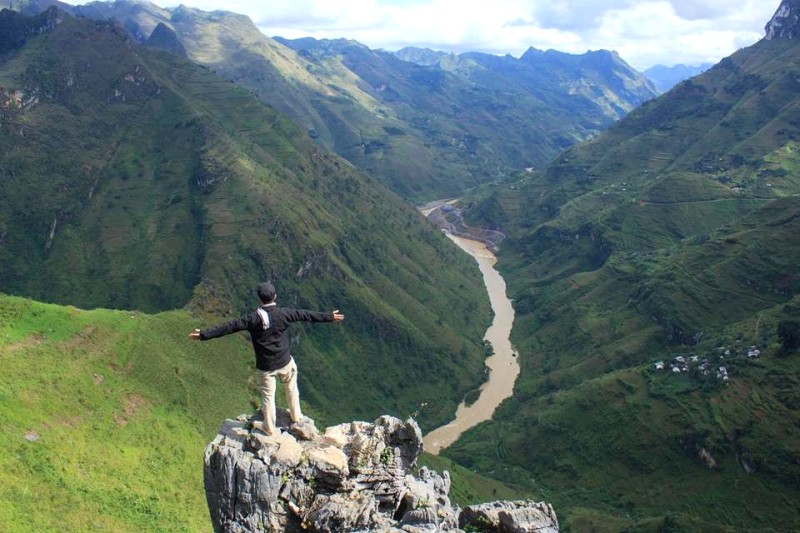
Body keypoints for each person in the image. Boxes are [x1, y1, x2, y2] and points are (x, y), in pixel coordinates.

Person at [190, 282, 344, 436]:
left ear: (259, 299)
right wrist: (329, 317)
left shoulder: (252, 319)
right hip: (285, 361)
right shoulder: (285, 313)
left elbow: (229, 327)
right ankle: (296, 416)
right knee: (291, 388)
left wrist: (203, 334)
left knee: (268, 398)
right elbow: (306, 315)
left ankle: (269, 427)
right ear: (275, 296)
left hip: (267, 366)